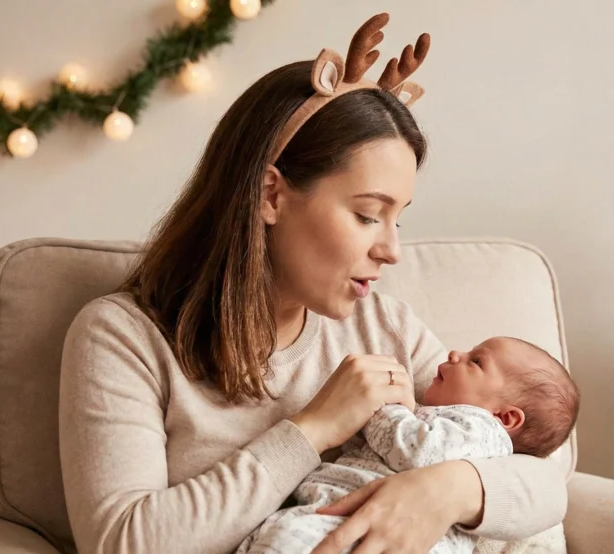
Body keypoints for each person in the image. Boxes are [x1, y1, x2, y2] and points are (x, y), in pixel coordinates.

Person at [57, 12, 569, 554]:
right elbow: (122, 542)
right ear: (271, 195)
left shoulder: (385, 326)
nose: (391, 250)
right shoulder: (122, 338)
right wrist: (311, 430)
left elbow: (542, 485)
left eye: (400, 219)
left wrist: (445, 490)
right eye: (369, 215)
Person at [236, 337, 580, 554]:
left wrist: (387, 407)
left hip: (368, 533)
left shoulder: (481, 431)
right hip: (332, 515)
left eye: (476, 361)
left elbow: (419, 450)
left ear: (505, 418)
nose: (455, 352)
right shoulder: (447, 417)